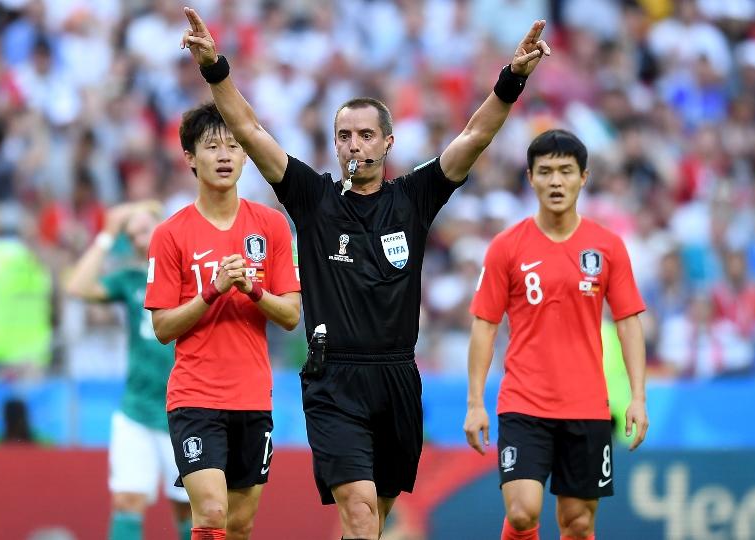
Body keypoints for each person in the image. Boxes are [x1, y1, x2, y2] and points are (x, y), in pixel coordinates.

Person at [181, 7, 550, 539]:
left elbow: (474, 136)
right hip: (335, 378)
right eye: (344, 135)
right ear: (335, 144)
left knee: (373, 518)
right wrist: (215, 68)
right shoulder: (313, 199)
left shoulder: (414, 199)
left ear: (387, 143)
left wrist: (511, 79)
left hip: (397, 377)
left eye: (364, 135)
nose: (354, 144)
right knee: (355, 509)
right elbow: (251, 130)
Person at [465, 130, 649, 540]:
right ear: (530, 178)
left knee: (578, 523)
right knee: (522, 512)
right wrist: (475, 402)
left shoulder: (608, 247)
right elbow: (484, 325)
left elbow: (628, 322)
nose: (556, 181)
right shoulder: (506, 247)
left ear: (584, 177)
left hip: (587, 406)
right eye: (545, 171)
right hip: (524, 402)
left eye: (566, 171)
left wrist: (638, 396)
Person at [144, 102, 301, 540]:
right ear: (191, 157)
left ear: (247, 155)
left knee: (239, 524)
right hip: (195, 396)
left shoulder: (270, 226)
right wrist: (211, 291)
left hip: (252, 395)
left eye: (234, 145)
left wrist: (253, 289)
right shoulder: (170, 234)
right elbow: (162, 328)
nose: (226, 155)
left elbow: (290, 315)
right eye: (212, 146)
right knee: (211, 513)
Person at [65, 200, 193, 540]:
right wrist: (108, 233)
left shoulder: (192, 272)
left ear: (163, 226)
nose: (138, 239)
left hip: (184, 411)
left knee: (190, 509)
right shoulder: (131, 279)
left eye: (144, 228)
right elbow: (77, 286)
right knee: (126, 500)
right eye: (131, 233)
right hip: (136, 410)